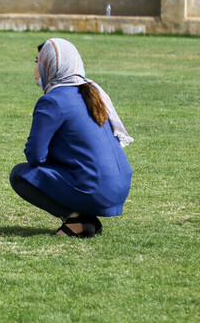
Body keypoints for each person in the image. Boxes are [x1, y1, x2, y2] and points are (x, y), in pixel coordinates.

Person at [9, 38, 133, 237]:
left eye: (37, 61)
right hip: (119, 185)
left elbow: (35, 155)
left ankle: (77, 220)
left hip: (95, 188)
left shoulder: (52, 101)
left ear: (50, 65)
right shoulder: (92, 93)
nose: (35, 67)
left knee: (19, 174)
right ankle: (86, 218)